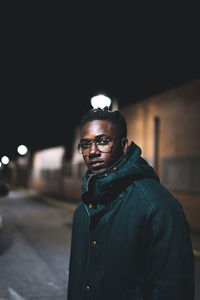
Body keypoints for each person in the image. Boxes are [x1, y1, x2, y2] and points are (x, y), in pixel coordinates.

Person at [67, 107, 194, 300]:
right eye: (85, 144)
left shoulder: (156, 206)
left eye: (103, 141)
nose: (92, 151)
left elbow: (173, 287)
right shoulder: (83, 210)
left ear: (124, 145)